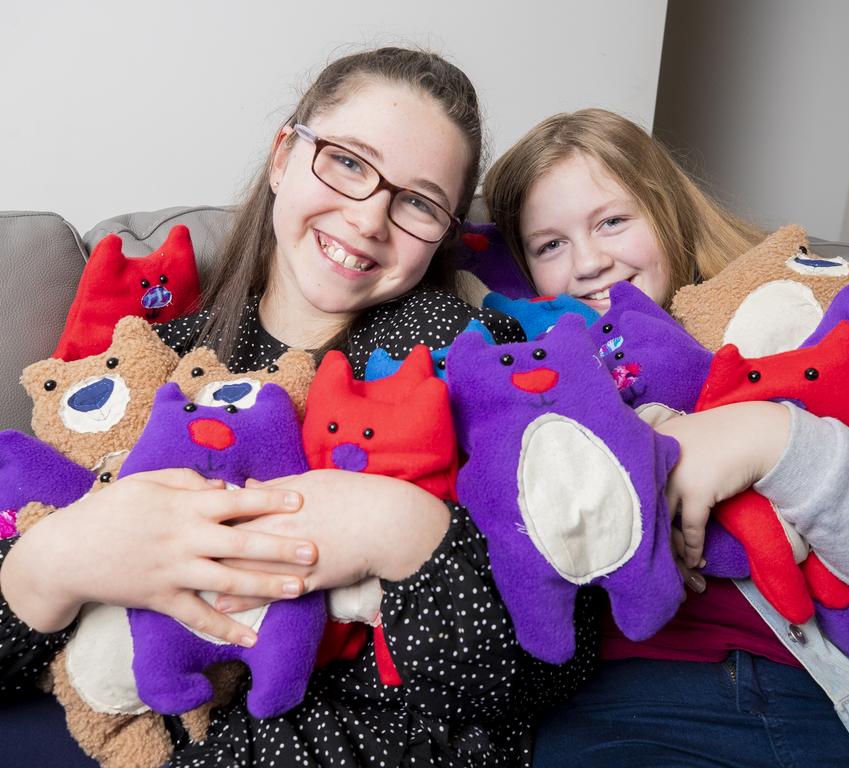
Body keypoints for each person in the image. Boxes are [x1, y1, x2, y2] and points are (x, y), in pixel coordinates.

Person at [0, 47, 576, 768]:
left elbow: (554, 665)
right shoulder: (144, 368)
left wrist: (404, 528)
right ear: (283, 158)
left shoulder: (465, 355)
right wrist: (48, 566)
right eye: (347, 162)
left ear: (447, 234)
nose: (369, 219)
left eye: (419, 203)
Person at [484, 108, 849, 767]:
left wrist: (774, 441)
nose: (589, 262)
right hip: (624, 715)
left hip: (846, 711)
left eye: (612, 222)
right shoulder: (521, 387)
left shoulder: (807, 334)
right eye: (549, 245)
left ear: (666, 213)